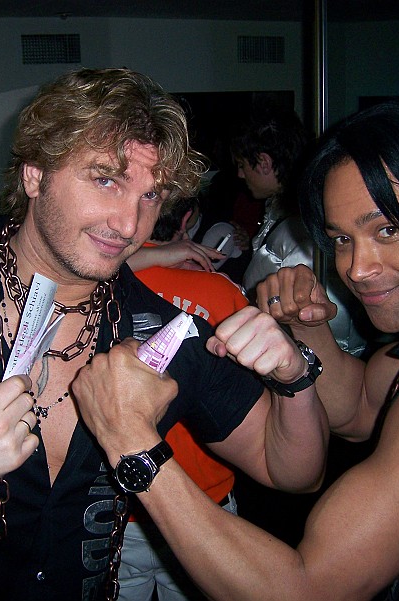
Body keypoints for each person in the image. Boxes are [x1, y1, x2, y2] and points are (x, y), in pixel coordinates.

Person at [0, 67, 329, 601]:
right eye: (106, 180)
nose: (129, 225)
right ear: (34, 174)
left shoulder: (162, 334)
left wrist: (295, 375)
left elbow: (291, 470)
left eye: (151, 195)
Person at [71, 101, 399, 600]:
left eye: (387, 230)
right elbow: (360, 408)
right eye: (342, 239)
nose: (357, 269)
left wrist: (134, 445)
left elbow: (308, 589)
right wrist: (306, 326)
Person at [121, 199, 249, 601]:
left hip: (121, 506)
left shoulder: (100, 284)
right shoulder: (222, 293)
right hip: (203, 505)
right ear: (189, 219)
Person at [234, 102, 370, 357]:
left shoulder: (301, 229)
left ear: (263, 162)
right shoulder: (283, 211)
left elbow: (330, 328)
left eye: (242, 165)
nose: (241, 174)